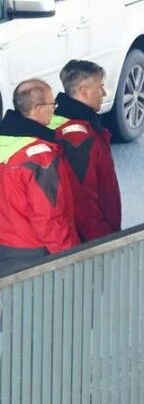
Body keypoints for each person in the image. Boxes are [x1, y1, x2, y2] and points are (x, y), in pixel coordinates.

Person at [0, 80, 80, 275]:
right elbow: (49, 218)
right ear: (37, 110)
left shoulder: (5, 144)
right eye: (52, 104)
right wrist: (70, 258)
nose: (54, 109)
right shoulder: (39, 157)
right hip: (31, 253)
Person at [51, 59, 122, 242]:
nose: (104, 93)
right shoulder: (78, 138)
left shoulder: (60, 121)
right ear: (83, 91)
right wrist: (103, 242)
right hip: (91, 242)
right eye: (100, 87)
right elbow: (83, 202)